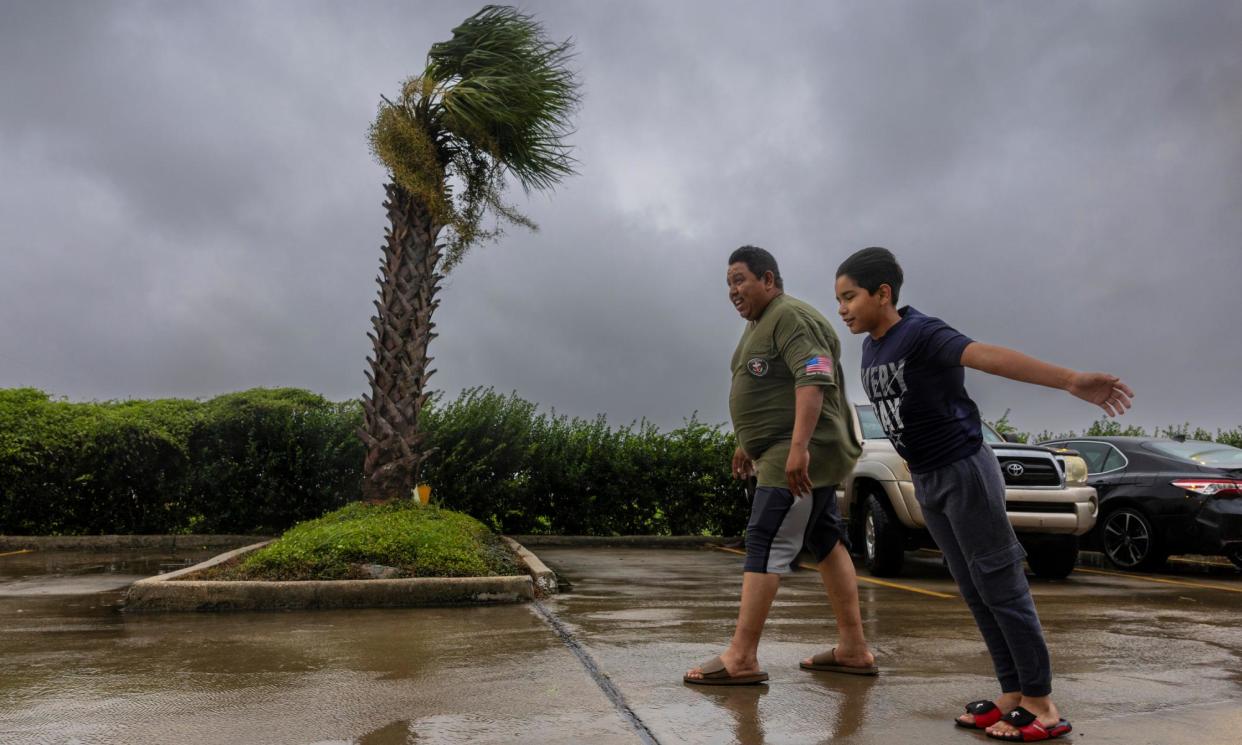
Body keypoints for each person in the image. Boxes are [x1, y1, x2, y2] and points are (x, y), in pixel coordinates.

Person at [834, 246, 1134, 742]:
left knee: (1000, 582)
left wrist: (1070, 381)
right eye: (838, 299)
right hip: (928, 478)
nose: (842, 308)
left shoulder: (922, 332)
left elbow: (988, 356)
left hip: (964, 469)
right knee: (972, 587)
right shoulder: (873, 346)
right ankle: (1013, 692)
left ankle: (1041, 703)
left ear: (882, 293)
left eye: (850, 297)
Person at [684, 245, 877, 686]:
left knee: (765, 538)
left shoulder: (791, 316)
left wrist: (798, 448)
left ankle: (742, 657)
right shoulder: (759, 325)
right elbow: (763, 387)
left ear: (768, 279)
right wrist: (744, 443)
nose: (732, 291)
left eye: (740, 280)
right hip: (774, 449)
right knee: (826, 541)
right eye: (728, 283)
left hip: (797, 454)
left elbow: (814, 375)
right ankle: (852, 649)